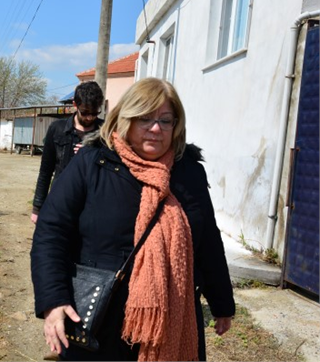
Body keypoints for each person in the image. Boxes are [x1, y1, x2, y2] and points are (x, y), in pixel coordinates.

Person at [30, 78, 235, 361]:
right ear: (125, 119)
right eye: (145, 118)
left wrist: (222, 303)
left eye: (165, 120)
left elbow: (208, 241)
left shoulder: (189, 172)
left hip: (174, 318)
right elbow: (51, 232)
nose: (156, 129)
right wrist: (53, 301)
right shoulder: (93, 163)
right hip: (102, 324)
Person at [31, 81, 104, 224]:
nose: (90, 117)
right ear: (75, 105)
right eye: (85, 112)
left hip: (93, 205)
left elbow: (114, 170)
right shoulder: (56, 129)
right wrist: (37, 208)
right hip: (60, 201)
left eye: (95, 113)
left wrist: (93, 153)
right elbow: (46, 170)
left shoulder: (106, 131)